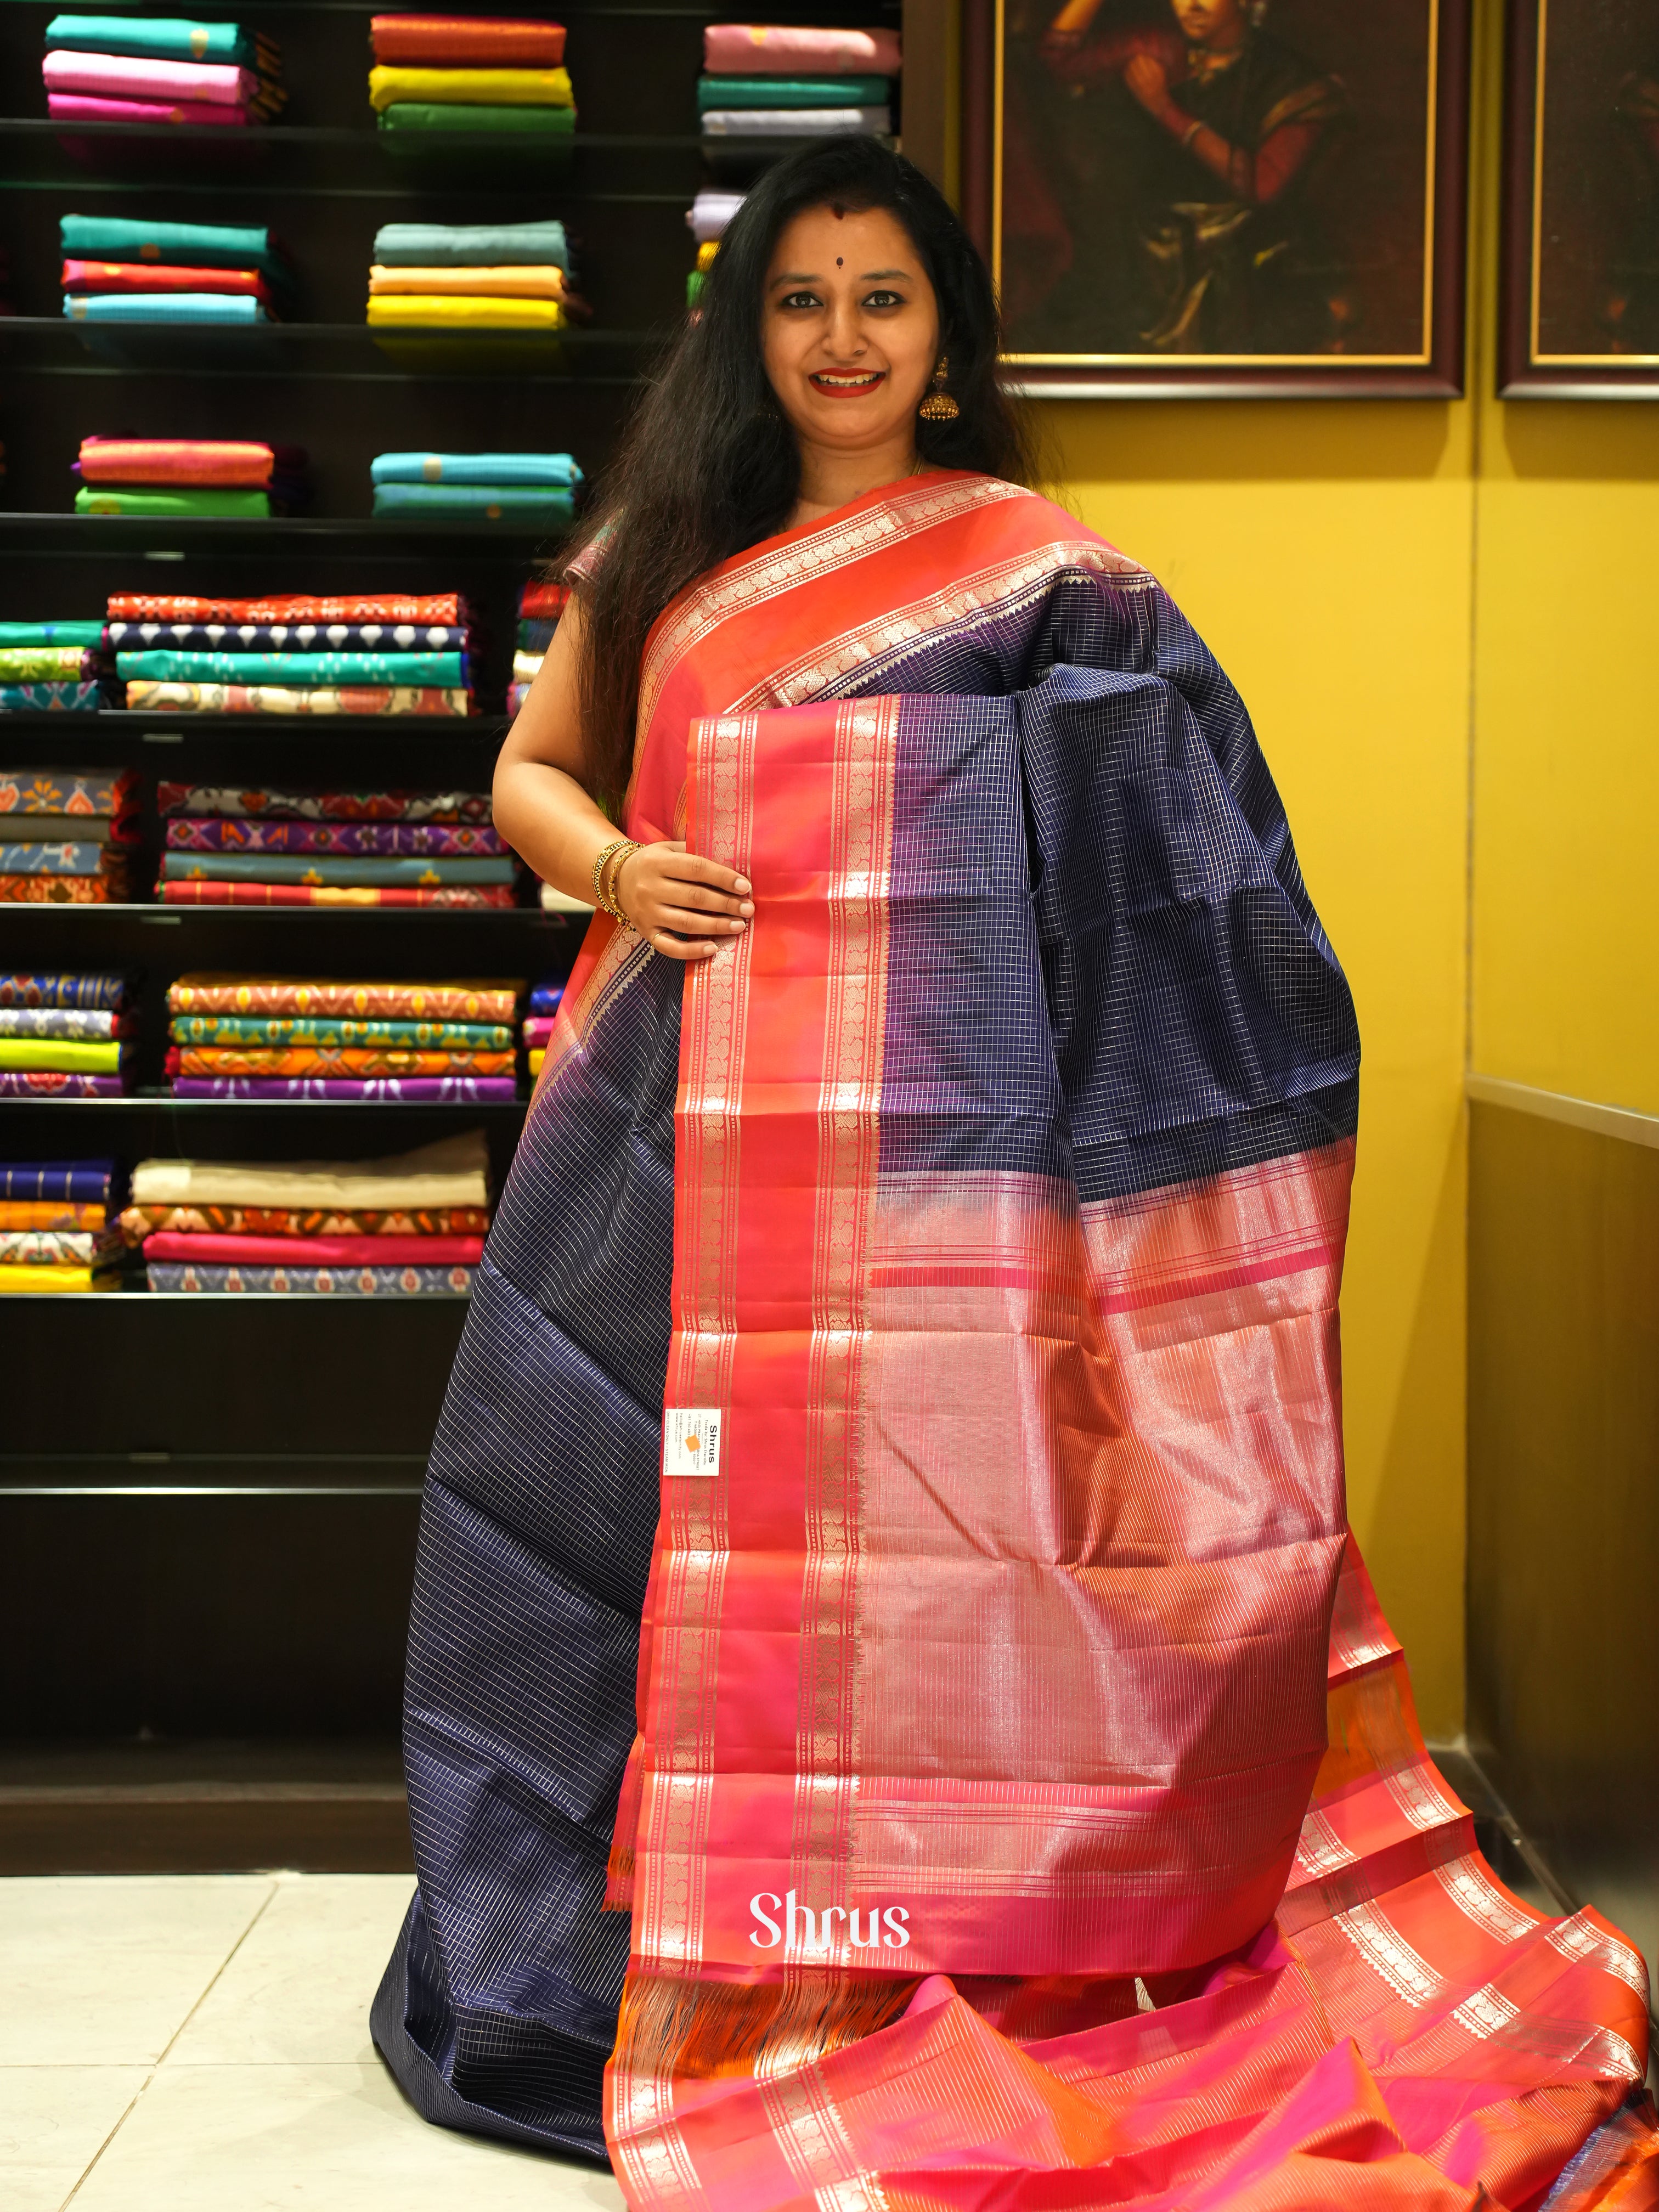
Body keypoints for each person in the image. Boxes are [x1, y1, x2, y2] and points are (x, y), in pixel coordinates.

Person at [373, 135, 1652, 2207]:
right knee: (602, 1507)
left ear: (944, 337)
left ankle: (924, 1912)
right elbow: (531, 765)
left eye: (881, 297)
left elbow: (1172, 855)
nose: (841, 337)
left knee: (908, 1563)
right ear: (748, 331)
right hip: (672, 1128)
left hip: (932, 1192)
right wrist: (618, 863)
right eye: (800, 299)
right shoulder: (669, 547)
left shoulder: (1044, 571)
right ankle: (615, 1931)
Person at [1008, 0, 1350, 353]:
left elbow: (1261, 185)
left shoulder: (1294, 80)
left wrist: (1164, 109)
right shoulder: (1160, 48)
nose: (1192, 5)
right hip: (1145, 254)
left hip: (1240, 259)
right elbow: (1055, 57)